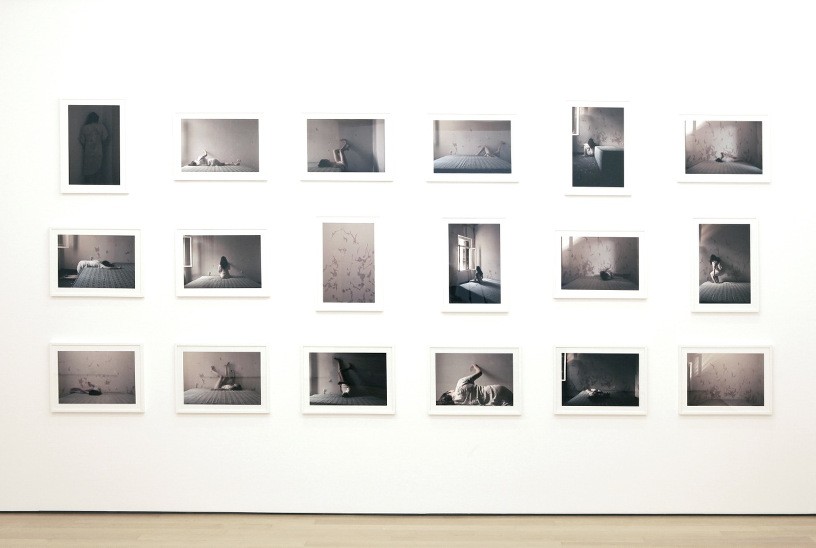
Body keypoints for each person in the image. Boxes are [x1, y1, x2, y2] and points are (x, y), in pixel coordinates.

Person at [437, 364, 513, 406]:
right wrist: (474, 366)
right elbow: (479, 373)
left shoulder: (460, 404)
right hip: (495, 390)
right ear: (448, 392)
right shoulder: (460, 383)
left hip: (494, 403)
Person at [78, 112, 109, 184]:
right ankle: (97, 184)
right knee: (98, 169)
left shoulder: (85, 128)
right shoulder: (101, 127)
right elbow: (105, 138)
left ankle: (90, 185)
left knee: (88, 170)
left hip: (88, 153)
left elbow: (82, 141)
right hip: (98, 152)